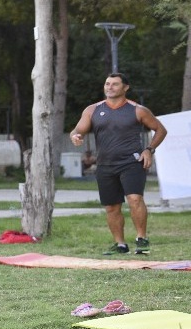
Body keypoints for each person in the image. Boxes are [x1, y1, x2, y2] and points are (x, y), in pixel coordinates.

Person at [70, 73, 167, 255]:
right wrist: (75, 136)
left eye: (115, 84)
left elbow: (160, 130)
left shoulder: (137, 110)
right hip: (105, 165)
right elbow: (78, 130)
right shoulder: (93, 110)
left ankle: (141, 239)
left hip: (132, 162)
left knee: (134, 199)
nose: (110, 87)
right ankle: (120, 244)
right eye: (107, 84)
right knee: (112, 206)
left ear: (125, 88)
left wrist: (149, 149)